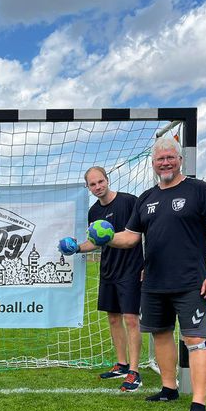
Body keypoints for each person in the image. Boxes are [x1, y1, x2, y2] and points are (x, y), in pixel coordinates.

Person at [62, 136, 206, 411]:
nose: (165, 163)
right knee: (160, 334)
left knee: (195, 340)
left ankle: (198, 406)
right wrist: (105, 238)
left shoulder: (198, 189)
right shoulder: (147, 198)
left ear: (180, 160)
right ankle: (169, 388)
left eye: (170, 157)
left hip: (190, 281)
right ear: (153, 164)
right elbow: (130, 238)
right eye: (160, 159)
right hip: (152, 282)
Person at [64, 167, 144, 391]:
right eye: (93, 184)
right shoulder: (94, 212)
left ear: (107, 180)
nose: (98, 187)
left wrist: (147, 263)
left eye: (100, 181)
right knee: (113, 319)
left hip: (131, 269)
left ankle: (134, 371)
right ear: (88, 187)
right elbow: (96, 242)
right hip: (109, 269)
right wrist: (76, 248)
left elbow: (141, 235)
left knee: (131, 319)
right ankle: (121, 364)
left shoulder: (129, 202)